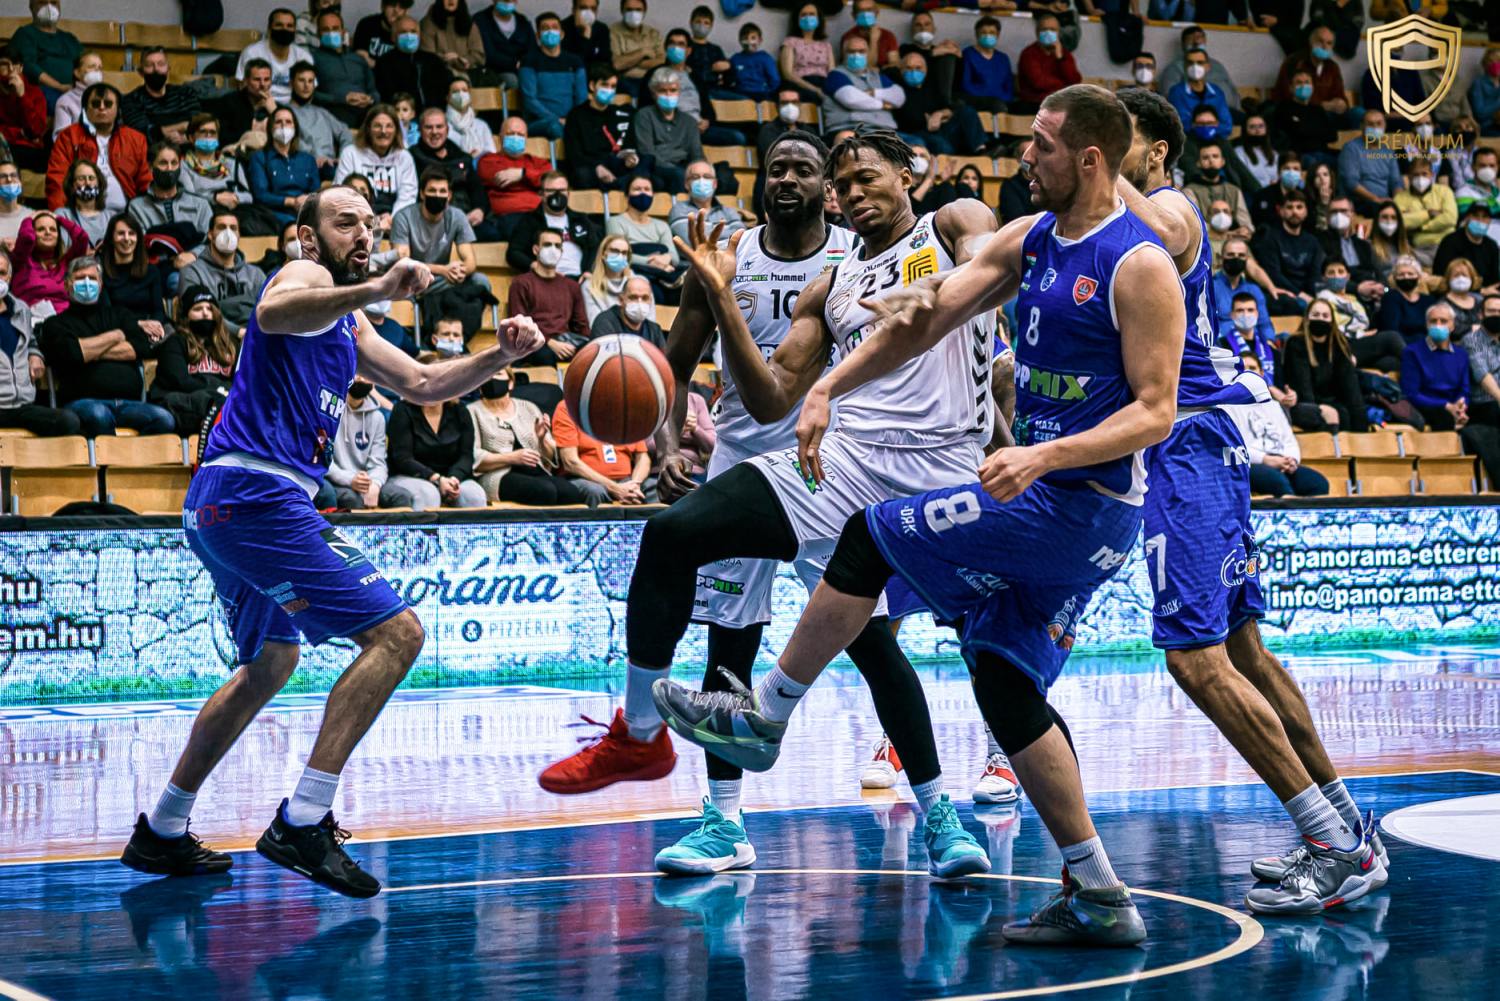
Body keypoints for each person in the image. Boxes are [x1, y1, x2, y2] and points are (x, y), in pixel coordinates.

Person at [649, 93, 1181, 940]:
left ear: (1089, 159)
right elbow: (929, 314)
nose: (1024, 158)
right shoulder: (1031, 240)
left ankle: (765, 716)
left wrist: (1040, 454)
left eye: (1041, 146)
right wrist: (828, 385)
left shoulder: (1138, 262)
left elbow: (1156, 411)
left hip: (1078, 504)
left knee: (870, 536)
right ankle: (1099, 892)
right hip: (1029, 494)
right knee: (1004, 685)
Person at [541, 121, 1008, 874]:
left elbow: (992, 264)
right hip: (837, 463)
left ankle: (944, 816)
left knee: (897, 649)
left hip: (941, 471)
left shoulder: (950, 223)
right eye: (844, 183)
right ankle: (657, 754)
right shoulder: (833, 284)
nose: (852, 192)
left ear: (907, 174)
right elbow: (769, 400)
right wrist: (721, 293)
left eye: (865, 177)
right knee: (674, 538)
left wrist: (1006, 437)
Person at [118, 187, 544, 896]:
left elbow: (423, 381)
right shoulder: (305, 274)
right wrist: (377, 288)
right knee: (399, 635)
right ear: (310, 237)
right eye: (346, 222)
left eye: (370, 225)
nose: (364, 233)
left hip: (223, 503)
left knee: (271, 663)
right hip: (256, 494)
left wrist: (497, 354)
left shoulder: (348, 324)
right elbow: (272, 312)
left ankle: (161, 827)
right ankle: (304, 819)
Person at [1116, 87, 1386, 915]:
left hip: (1186, 443)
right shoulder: (1129, 220)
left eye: (1113, 138)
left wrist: (1091, 166)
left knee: (1196, 659)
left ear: (1156, 150)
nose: (1100, 151)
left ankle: (1330, 845)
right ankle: (1349, 830)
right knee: (1245, 653)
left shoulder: (1170, 206)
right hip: (1199, 444)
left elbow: (1165, 229)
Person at [38, 256, 175, 436]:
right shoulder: (55, 324)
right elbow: (72, 353)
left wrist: (88, 350)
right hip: (83, 403)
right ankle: (110, 454)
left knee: (165, 419)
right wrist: (116, 336)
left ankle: (130, 454)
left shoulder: (119, 314)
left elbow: (139, 348)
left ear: (101, 285)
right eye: (80, 278)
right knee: (100, 416)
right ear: (66, 285)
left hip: (129, 403)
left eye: (92, 278)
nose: (87, 283)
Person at [470, 368, 587, 504]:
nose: (492, 379)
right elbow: (473, 456)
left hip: (535, 472)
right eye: (487, 375)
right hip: (498, 475)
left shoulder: (528, 407)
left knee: (570, 492)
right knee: (545, 491)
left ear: (510, 383)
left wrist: (541, 439)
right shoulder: (472, 411)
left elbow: (549, 458)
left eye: (498, 374)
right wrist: (511, 458)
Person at [0, 246, 81, 436]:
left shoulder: (20, 309)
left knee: (68, 421)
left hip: (22, 404)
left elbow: (30, 341)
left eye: (2, 273)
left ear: (9, 277)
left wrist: (35, 355)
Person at [1230, 354, 1328, 497]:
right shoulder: (1227, 406)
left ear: (1261, 374)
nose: (1248, 372)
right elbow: (1233, 447)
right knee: (1277, 481)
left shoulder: (1274, 406)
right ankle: (1291, 510)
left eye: (1252, 368)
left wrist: (1291, 460)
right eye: (1243, 369)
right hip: (1250, 464)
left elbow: (1289, 440)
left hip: (1281, 462)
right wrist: (1266, 459)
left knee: (1317, 483)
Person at [391, 168, 491, 307]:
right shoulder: (403, 217)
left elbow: (470, 262)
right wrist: (443, 270)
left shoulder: (457, 216)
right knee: (404, 286)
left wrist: (458, 272)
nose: (437, 195)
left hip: (442, 280)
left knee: (481, 281)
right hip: (414, 280)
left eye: (442, 191)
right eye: (432, 190)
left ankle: (458, 318)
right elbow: (404, 263)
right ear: (422, 194)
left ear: (449, 195)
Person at [386, 377, 489, 509]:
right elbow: (403, 459)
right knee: (429, 494)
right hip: (410, 476)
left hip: (451, 477)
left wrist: (453, 478)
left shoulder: (460, 410)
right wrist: (436, 479)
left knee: (474, 496)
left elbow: (466, 456)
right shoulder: (403, 410)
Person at [47, 83, 151, 213]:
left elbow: (146, 182)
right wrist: (61, 217)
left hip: (127, 215)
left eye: (108, 104)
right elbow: (57, 180)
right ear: (85, 109)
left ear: (118, 109)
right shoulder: (68, 137)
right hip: (81, 214)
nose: (102, 108)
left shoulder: (136, 139)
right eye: (95, 104)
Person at [148, 287, 238, 435]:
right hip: (182, 402)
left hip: (219, 401)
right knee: (208, 400)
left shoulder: (230, 345)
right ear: (186, 316)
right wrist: (219, 389)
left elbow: (240, 381)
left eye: (210, 308)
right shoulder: (175, 343)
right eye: (198, 309)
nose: (205, 313)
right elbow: (180, 381)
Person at [506, 226, 590, 364]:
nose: (553, 249)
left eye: (557, 246)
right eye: (547, 245)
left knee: (593, 353)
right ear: (535, 250)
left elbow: (582, 326)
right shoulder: (521, 283)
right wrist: (549, 342)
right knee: (544, 355)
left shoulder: (572, 286)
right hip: (534, 345)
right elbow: (520, 325)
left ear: (562, 252)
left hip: (565, 343)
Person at [1280, 301, 1368, 432]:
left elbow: (1351, 387)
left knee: (1349, 413)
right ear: (1307, 318)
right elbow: (1303, 387)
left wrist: (1362, 431)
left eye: (1325, 316)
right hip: (1304, 404)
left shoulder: (1339, 345)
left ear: (1332, 321)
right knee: (1335, 414)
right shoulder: (1296, 343)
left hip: (1333, 401)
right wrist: (1318, 411)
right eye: (1316, 315)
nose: (1320, 319)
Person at [180, 212, 270, 336]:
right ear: (210, 235)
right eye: (221, 227)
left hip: (256, 334)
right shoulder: (192, 272)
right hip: (214, 337)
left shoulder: (256, 274)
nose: (228, 233)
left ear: (239, 235)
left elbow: (268, 309)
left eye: (233, 228)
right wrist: (239, 332)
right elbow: (199, 315)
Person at [322, 379, 408, 509]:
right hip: (337, 479)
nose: (362, 379)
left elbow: (378, 462)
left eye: (366, 376)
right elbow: (324, 460)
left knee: (401, 496)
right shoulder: (330, 412)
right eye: (358, 375)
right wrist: (350, 479)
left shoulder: (377, 417)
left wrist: (375, 484)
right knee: (350, 499)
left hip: (367, 480)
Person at [551, 394, 653, 504]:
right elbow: (570, 462)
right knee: (595, 491)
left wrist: (635, 484)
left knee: (652, 487)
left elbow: (643, 458)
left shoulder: (625, 409)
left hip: (626, 480)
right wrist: (614, 488)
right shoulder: (568, 407)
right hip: (585, 479)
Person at [896, 51, 997, 157]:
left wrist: (939, 114)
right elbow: (910, 120)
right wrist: (929, 121)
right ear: (901, 70)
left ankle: (981, 151)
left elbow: (949, 108)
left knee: (967, 112)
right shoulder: (898, 91)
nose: (913, 72)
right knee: (942, 145)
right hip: (918, 136)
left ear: (925, 69)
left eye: (918, 68)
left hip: (943, 129)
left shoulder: (932, 86)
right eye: (909, 68)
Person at [564, 64, 646, 193]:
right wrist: (597, 167)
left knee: (647, 170)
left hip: (618, 165)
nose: (609, 90)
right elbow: (574, 154)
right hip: (590, 167)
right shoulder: (576, 116)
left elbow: (630, 146)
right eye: (604, 85)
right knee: (582, 175)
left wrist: (631, 158)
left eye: (613, 86)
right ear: (592, 86)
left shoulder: (622, 114)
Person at [409, 107, 489, 233]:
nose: (434, 132)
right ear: (419, 130)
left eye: (439, 127)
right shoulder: (411, 157)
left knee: (492, 234)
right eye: (428, 127)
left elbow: (477, 189)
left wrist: (479, 209)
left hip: (466, 219)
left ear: (447, 129)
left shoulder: (462, 158)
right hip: (429, 222)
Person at [336, 104, 418, 225]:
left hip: (394, 222)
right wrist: (370, 221)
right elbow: (341, 192)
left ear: (396, 130)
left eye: (389, 126)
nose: (383, 131)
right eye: (377, 126)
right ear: (368, 129)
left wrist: (393, 219)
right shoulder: (350, 153)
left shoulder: (405, 157)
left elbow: (408, 197)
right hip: (357, 220)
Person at [506, 172, 600, 277]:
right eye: (551, 191)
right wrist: (535, 266)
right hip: (547, 278)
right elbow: (513, 253)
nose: (557, 195)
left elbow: (595, 247)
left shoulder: (580, 219)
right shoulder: (530, 220)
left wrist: (588, 271)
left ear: (568, 193)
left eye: (562, 190)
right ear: (541, 194)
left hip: (580, 278)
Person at [126, 142, 215, 251]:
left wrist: (193, 254)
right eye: (163, 163)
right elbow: (139, 244)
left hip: (195, 260)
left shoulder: (200, 204)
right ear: (150, 167)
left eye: (174, 163)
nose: (169, 168)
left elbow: (210, 241)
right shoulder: (137, 206)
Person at [606, 175, 683, 295]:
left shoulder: (662, 226)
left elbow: (675, 258)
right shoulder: (615, 222)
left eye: (647, 189)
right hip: (634, 273)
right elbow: (618, 255)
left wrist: (666, 258)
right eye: (637, 189)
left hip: (663, 274)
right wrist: (653, 262)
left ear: (653, 195)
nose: (643, 193)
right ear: (627, 196)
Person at [1251, 189, 1324, 315]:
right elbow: (1274, 274)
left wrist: (1312, 296)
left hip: (1308, 293)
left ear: (1306, 212)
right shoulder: (1270, 238)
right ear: (1281, 211)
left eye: (1299, 207)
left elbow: (1315, 273)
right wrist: (1299, 294)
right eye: (1289, 207)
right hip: (1283, 293)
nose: (1294, 211)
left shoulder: (1312, 241)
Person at [249, 107, 322, 229]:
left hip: (305, 210)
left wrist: (307, 201)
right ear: (271, 128)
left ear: (295, 128)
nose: (283, 126)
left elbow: (316, 192)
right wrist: (292, 201)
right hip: (274, 213)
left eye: (288, 122)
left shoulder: (308, 159)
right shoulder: (259, 157)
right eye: (278, 122)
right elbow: (261, 195)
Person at [633, 71, 702, 195]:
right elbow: (647, 152)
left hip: (683, 167)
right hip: (656, 168)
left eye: (673, 90)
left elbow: (697, 154)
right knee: (678, 175)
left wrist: (698, 172)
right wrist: (676, 170)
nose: (668, 95)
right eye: (662, 91)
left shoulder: (689, 122)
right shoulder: (644, 116)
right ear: (653, 93)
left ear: (679, 92)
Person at [521, 13, 586, 141]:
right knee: (556, 127)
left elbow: (581, 98)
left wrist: (572, 120)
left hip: (570, 120)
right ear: (538, 36)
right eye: (545, 28)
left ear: (562, 34)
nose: (550, 31)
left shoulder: (575, 62)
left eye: (555, 27)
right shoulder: (529, 61)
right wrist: (556, 119)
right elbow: (529, 100)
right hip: (540, 122)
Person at [822, 36, 901, 136]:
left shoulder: (878, 76)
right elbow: (851, 99)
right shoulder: (835, 76)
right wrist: (882, 104)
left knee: (915, 143)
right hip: (850, 129)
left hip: (885, 132)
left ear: (868, 54)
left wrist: (873, 93)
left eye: (861, 51)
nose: (856, 55)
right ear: (843, 54)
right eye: (851, 51)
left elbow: (899, 96)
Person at [120, 47, 201, 146]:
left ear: (168, 69)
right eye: (149, 65)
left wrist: (188, 138)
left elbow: (199, 125)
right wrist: (183, 126)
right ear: (141, 72)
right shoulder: (131, 100)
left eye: (161, 64)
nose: (156, 69)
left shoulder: (186, 93)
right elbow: (142, 134)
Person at [477, 117, 549, 227]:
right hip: (508, 217)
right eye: (510, 134)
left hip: (539, 214)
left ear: (526, 138)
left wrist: (522, 174)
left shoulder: (537, 162)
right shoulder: (488, 160)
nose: (516, 138)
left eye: (520, 135)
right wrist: (533, 181)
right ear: (500, 137)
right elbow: (499, 179)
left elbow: (550, 181)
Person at [11, 211, 88, 315]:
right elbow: (27, 238)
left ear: (58, 236)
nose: (48, 232)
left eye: (53, 229)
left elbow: (82, 238)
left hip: (64, 319)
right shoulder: (21, 260)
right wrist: (28, 219)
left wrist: (59, 219)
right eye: (40, 229)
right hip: (29, 320)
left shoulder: (66, 263)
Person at [312, 12, 379, 130]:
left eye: (335, 28)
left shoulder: (358, 58)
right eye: (326, 29)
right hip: (334, 114)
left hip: (366, 113)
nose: (331, 33)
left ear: (343, 32)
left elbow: (374, 90)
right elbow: (312, 94)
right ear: (318, 34)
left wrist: (370, 99)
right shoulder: (312, 59)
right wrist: (342, 99)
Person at [178, 114, 254, 217]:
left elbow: (249, 197)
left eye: (213, 132)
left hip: (234, 214)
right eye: (203, 132)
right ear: (191, 138)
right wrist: (215, 198)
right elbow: (189, 197)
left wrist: (236, 198)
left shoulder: (232, 164)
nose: (208, 135)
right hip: (201, 215)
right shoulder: (183, 166)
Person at [99, 212, 167, 326]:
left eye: (131, 233)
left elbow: (159, 311)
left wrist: (154, 326)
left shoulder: (152, 271)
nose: (127, 238)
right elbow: (108, 315)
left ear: (138, 238)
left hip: (151, 328)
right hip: (119, 330)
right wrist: (139, 324)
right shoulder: (101, 273)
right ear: (111, 238)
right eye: (121, 233)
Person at [239, 9, 316, 106]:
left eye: (289, 26)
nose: (285, 29)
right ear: (269, 29)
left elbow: (310, 91)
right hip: (260, 106)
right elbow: (243, 87)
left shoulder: (304, 56)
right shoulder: (252, 52)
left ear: (295, 30)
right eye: (279, 25)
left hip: (295, 108)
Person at [12, 0, 80, 110]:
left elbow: (85, 62)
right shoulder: (25, 34)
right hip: (43, 91)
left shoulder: (69, 39)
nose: (49, 7)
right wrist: (59, 86)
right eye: (42, 2)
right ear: (32, 7)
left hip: (73, 91)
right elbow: (28, 66)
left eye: (54, 2)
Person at [376, 14, 452, 112]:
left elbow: (447, 86)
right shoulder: (385, 63)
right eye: (403, 32)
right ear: (393, 37)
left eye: (413, 31)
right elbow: (387, 95)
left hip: (435, 114)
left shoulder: (433, 60)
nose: (409, 35)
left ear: (419, 36)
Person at [1157, 26, 1240, 114]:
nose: (1196, 42)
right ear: (1183, 44)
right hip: (1197, 114)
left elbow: (1232, 89)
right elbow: (1168, 97)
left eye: (1199, 37)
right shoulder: (1174, 68)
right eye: (1191, 39)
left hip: (1227, 110)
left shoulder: (1217, 65)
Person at [1397, 158, 1458, 269]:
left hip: (1446, 245)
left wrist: (1421, 227)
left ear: (1431, 175)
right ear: (1409, 177)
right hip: (1418, 249)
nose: (1420, 178)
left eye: (1424, 174)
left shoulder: (1445, 191)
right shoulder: (1400, 198)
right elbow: (1400, 222)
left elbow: (1450, 218)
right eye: (1415, 175)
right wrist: (1428, 214)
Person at [1183, 140, 1251, 239]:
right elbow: (1194, 225)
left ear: (1222, 161)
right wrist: (1229, 234)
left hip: (1234, 242)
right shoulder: (1189, 191)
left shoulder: (1234, 190)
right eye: (1205, 158)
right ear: (1198, 163)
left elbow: (1246, 224)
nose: (1211, 161)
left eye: (1215, 156)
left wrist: (1245, 230)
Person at [1338, 109, 1401, 216]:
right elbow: (1351, 183)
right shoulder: (1351, 149)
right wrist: (1375, 199)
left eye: (1379, 123)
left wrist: (1398, 202)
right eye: (1370, 124)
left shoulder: (1388, 151)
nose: (1375, 127)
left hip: (1384, 202)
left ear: (1385, 126)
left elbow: (1396, 182)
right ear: (1362, 126)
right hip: (1361, 202)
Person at [667, 161, 746, 245]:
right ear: (686, 184)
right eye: (695, 177)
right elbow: (695, 243)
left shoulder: (730, 212)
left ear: (715, 184)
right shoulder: (678, 210)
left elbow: (742, 240)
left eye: (707, 177)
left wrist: (710, 239)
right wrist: (728, 239)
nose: (701, 181)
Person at [1014, 15, 1079, 114]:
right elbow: (1038, 83)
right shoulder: (1029, 53)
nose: (1048, 33)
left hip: (1059, 101)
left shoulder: (1064, 53)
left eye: (1052, 29)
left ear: (1058, 33)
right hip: (1034, 102)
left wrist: (1060, 58)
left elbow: (1074, 80)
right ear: (1037, 33)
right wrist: (1064, 85)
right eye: (1044, 29)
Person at [0, 43, 49, 171]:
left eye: (15, 64)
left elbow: (36, 131)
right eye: (4, 64)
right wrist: (19, 133)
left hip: (29, 149)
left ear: (21, 68)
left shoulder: (35, 92)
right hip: (4, 144)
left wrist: (23, 97)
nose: (11, 69)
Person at [1167, 47, 1232, 142]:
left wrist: (1203, 128)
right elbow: (1179, 125)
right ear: (1185, 66)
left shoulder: (1217, 92)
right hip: (1189, 142)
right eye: (1190, 63)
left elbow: (1226, 126)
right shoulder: (1176, 93)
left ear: (1208, 66)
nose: (1195, 67)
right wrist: (1209, 126)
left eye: (1200, 62)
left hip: (1216, 141)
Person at [1372, 254, 1438, 346]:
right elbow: (1391, 331)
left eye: (1410, 274)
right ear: (1395, 278)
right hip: (1401, 347)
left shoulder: (1428, 300)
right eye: (1401, 275)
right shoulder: (1391, 298)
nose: (1406, 277)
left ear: (1418, 277)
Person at [1434, 202, 1500, 291]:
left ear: (1489, 221)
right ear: (1467, 218)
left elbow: (1495, 279)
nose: (1480, 220)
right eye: (1476, 216)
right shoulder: (1451, 242)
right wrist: (1481, 291)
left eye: (1484, 217)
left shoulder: (1491, 246)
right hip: (1456, 290)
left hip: (1487, 293)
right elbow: (1441, 275)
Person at [209, 61, 276, 148]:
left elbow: (286, 140)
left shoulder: (276, 107)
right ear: (246, 81)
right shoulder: (227, 103)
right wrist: (251, 132)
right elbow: (220, 137)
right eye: (257, 79)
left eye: (266, 79)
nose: (262, 84)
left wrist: (274, 112)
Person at [900, 12, 960, 108]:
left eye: (927, 24)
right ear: (912, 30)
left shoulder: (942, 51)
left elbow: (956, 80)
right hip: (915, 95)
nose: (923, 28)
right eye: (918, 25)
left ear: (934, 29)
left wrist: (957, 55)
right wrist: (933, 53)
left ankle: (946, 104)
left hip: (940, 97)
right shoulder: (905, 49)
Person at [1273, 70, 1337, 159]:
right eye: (1299, 83)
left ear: (1312, 87)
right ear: (1291, 88)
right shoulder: (1284, 108)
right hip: (1302, 154)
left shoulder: (1318, 109)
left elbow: (1333, 136)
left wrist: (1306, 129)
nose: (1303, 86)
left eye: (1307, 82)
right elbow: (1294, 133)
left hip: (1323, 152)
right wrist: (1317, 130)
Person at [589, 273, 663, 347]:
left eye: (645, 298)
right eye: (633, 297)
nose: (640, 303)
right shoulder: (605, 323)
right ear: (621, 300)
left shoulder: (654, 330)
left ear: (650, 301)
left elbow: (663, 354)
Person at [475, 0, 535, 88]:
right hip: (493, 72)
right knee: (511, 80)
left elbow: (532, 50)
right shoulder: (481, 20)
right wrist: (514, 64)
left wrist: (524, 64)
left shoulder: (523, 21)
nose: (507, 2)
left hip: (523, 69)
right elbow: (487, 54)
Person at [779, 4, 833, 103]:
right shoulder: (790, 42)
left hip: (824, 84)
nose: (808, 18)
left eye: (812, 14)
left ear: (818, 19)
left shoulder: (826, 45)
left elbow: (832, 73)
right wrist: (815, 89)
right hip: (801, 84)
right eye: (803, 15)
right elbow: (788, 74)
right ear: (797, 19)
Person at [610, 0, 664, 98]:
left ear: (644, 12)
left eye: (638, 10)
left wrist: (630, 61)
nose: (634, 14)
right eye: (629, 10)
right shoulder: (613, 32)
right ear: (622, 11)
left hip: (652, 80)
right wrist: (643, 52)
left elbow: (662, 61)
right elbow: (617, 64)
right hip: (627, 81)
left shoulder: (653, 33)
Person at [51, 159, 105, 250]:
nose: (87, 183)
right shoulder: (63, 215)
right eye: (81, 178)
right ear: (72, 185)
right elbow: (61, 251)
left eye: (91, 178)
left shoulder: (110, 217)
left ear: (99, 183)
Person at [580, 234, 634, 324]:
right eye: (615, 251)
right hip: (604, 332)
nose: (620, 256)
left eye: (624, 253)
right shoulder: (589, 286)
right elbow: (595, 323)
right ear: (603, 254)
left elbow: (650, 324)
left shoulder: (640, 284)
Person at [421, 0, 485, 75]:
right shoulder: (428, 23)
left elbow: (478, 55)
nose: (451, 0)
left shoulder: (469, 23)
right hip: (439, 73)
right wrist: (451, 59)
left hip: (468, 72)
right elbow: (428, 56)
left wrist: (463, 59)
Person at [51, 50, 102, 138]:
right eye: (92, 66)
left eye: (100, 68)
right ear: (77, 73)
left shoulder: (108, 99)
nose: (97, 70)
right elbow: (61, 139)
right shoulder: (65, 101)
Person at [444, 76, 492, 158]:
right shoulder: (442, 125)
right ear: (447, 97)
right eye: (455, 91)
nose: (461, 94)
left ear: (470, 95)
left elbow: (491, 153)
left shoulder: (482, 125)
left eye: (464, 90)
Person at [1370, 199, 1416, 283]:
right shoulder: (1369, 246)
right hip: (1387, 284)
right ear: (1377, 220)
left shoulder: (1405, 245)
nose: (1389, 221)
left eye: (1393, 218)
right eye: (1384, 217)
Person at [730, 22, 778, 103]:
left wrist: (767, 90)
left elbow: (774, 79)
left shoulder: (765, 58)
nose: (749, 41)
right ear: (740, 40)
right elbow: (730, 78)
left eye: (753, 38)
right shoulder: (735, 58)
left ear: (760, 40)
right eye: (745, 38)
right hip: (741, 93)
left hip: (761, 93)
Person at [355, 0, 413, 65]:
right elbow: (360, 57)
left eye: (402, 6)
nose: (396, 10)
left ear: (406, 11)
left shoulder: (409, 31)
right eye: (392, 4)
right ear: (383, 6)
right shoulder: (367, 24)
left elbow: (404, 65)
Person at [1234, 113, 1279, 192]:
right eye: (1252, 127)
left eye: (1261, 126)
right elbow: (1245, 180)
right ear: (1245, 130)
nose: (1258, 130)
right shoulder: (1239, 152)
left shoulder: (1274, 154)